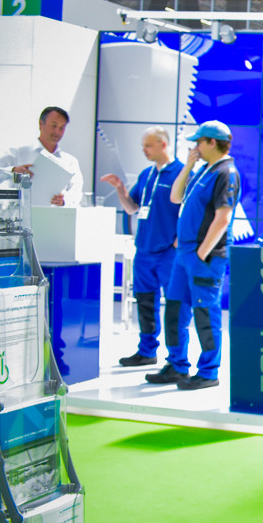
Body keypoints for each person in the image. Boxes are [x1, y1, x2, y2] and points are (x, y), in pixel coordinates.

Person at [144, 120, 240, 391]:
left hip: (204, 257)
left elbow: (223, 219)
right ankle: (177, 365)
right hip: (184, 254)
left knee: (205, 313)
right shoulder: (203, 170)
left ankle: (208, 371)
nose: (195, 147)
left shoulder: (227, 172)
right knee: (175, 309)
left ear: (212, 142)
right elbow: (176, 197)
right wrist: (188, 165)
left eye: (199, 142)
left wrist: (201, 254)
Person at [99, 126, 185, 368]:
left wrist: (177, 242)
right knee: (145, 303)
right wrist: (120, 188)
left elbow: (189, 210)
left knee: (174, 305)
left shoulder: (181, 173)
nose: (144, 150)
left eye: (148, 145)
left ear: (163, 145)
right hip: (144, 251)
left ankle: (176, 358)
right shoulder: (146, 174)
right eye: (143, 146)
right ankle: (146, 351)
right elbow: (132, 207)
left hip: (168, 253)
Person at [0, 106, 83, 207]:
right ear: (41, 124)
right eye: (53, 126)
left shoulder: (70, 162)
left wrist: (64, 200)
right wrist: (12, 171)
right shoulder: (19, 153)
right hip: (21, 214)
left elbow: (77, 192)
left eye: (62, 128)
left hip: (56, 215)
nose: (57, 132)